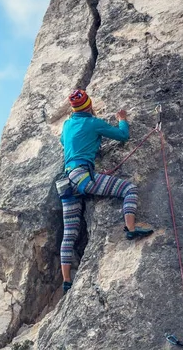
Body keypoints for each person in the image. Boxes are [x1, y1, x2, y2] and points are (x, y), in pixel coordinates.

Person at [59, 89, 153, 293]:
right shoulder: (93, 123)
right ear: (89, 106)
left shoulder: (67, 125)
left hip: (67, 182)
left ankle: (67, 281)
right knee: (129, 189)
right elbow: (122, 136)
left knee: (70, 233)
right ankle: (130, 228)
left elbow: (63, 142)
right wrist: (122, 119)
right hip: (83, 176)